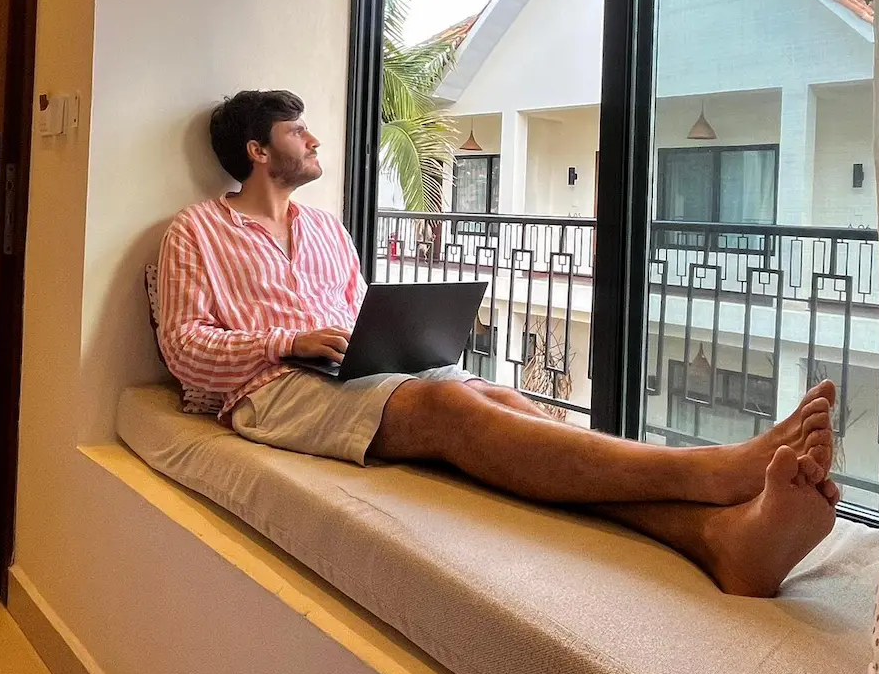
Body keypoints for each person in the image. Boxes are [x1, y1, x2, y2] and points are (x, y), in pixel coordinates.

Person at [156, 89, 843, 597]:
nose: (313, 143)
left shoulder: (328, 231)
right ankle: (708, 472)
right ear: (257, 151)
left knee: (493, 393)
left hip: (354, 376)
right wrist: (290, 340)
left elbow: (361, 315)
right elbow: (184, 347)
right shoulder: (194, 232)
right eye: (297, 132)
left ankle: (719, 540)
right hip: (270, 392)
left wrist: (391, 340)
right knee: (454, 412)